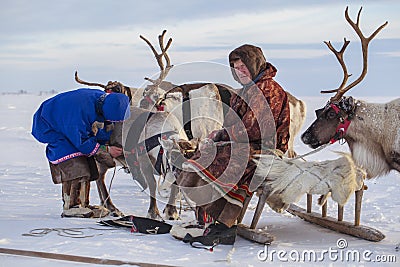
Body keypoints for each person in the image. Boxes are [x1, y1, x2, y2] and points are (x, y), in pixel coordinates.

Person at [178, 44, 290, 246]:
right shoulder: (249, 90)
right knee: (208, 154)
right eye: (236, 69)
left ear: (254, 64)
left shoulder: (269, 90)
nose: (240, 72)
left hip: (266, 148)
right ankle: (211, 219)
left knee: (224, 159)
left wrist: (220, 135)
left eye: (243, 67)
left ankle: (224, 225)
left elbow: (254, 129)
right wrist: (215, 138)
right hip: (244, 143)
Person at [32, 88, 130, 218]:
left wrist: (105, 143)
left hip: (67, 123)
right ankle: (71, 206)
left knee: (88, 166)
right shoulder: (79, 112)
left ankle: (83, 204)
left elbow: (102, 126)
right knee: (75, 164)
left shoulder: (102, 102)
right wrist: (105, 149)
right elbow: (80, 140)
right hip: (50, 127)